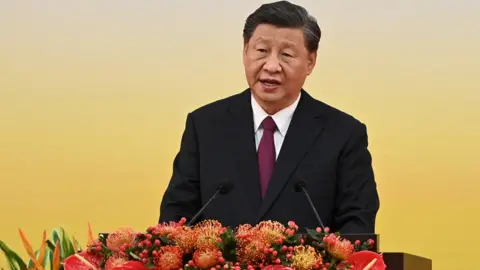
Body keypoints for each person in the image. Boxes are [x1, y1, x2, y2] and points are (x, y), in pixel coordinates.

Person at [159, 0, 379, 233]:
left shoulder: (343, 134)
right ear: (245, 51)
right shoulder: (205, 126)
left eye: (286, 55)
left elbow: (357, 227)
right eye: (262, 51)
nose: (272, 66)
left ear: (310, 62)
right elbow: (175, 220)